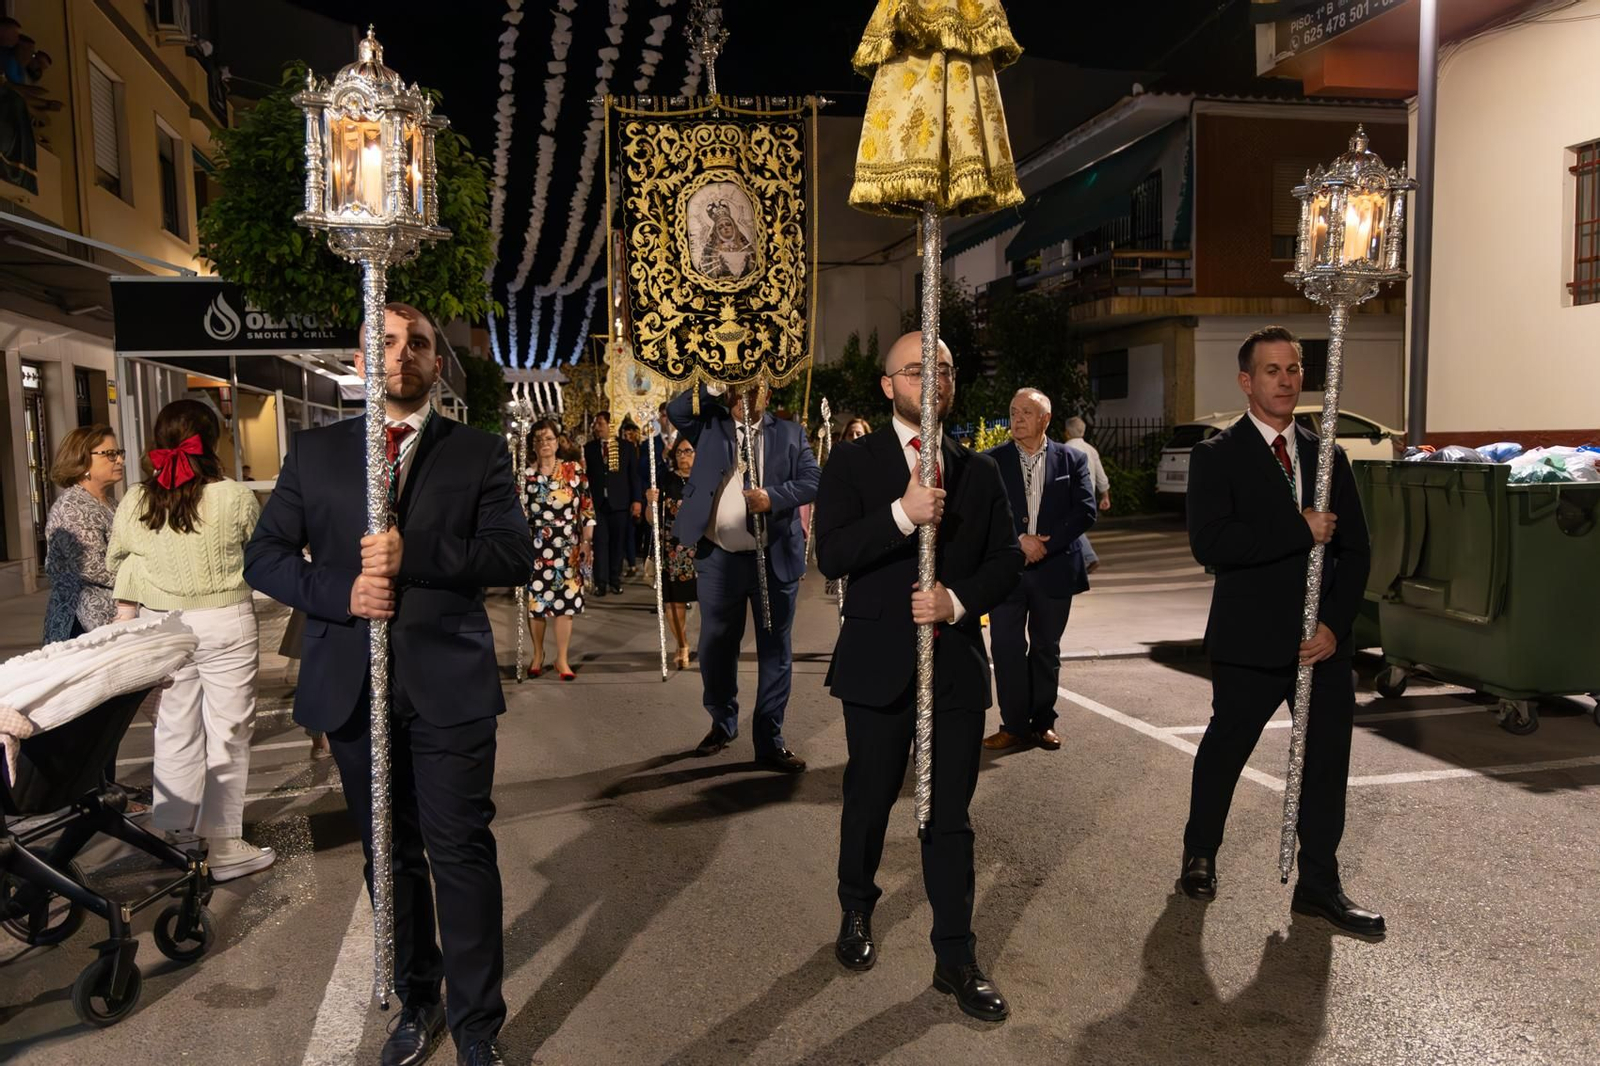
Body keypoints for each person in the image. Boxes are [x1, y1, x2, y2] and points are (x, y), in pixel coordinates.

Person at [244, 303, 533, 1066]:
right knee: (389, 855)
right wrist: (342, 592)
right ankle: (418, 999)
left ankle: (477, 1029)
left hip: (449, 685)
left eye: (420, 345)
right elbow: (266, 555)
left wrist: (418, 555)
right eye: (388, 342)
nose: (403, 356)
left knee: (461, 851)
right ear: (363, 357)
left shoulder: (477, 453)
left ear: (439, 364)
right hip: (351, 685)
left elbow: (511, 554)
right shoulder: (316, 453)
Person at [814, 332, 1023, 1022]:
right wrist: (904, 515)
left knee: (947, 816)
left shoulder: (982, 472)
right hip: (877, 666)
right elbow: (834, 553)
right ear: (887, 386)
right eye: (915, 370)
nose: (931, 379)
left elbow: (1003, 564)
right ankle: (855, 909)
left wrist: (957, 603)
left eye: (943, 368)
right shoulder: (853, 461)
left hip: (955, 670)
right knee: (869, 798)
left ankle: (955, 955)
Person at [1179, 325, 1380, 939]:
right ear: (1246, 381)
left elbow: (1358, 552)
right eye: (1272, 370)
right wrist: (1300, 529)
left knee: (1325, 763)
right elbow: (1211, 544)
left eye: (1294, 369)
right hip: (1249, 639)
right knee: (1225, 751)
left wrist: (1333, 627)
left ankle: (1319, 884)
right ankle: (1200, 853)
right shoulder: (1217, 456)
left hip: (1320, 644)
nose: (1287, 380)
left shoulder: (1328, 456)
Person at [106, 400, 272, 881]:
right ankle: (223, 844)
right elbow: (258, 551)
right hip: (226, 620)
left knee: (174, 726)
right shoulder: (233, 496)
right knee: (229, 731)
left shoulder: (137, 498)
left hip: (165, 623)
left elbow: (119, 557)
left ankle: (177, 834)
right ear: (212, 440)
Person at [667, 380, 819, 771]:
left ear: (768, 394)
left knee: (775, 651)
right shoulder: (711, 425)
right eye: (737, 391)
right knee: (717, 646)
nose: (743, 398)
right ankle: (723, 721)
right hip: (719, 559)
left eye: (753, 390)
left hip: (774, 557)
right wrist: (715, 384)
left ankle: (769, 738)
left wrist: (773, 497)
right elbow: (676, 411)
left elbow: (813, 480)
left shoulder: (789, 432)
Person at [983, 389, 1098, 751]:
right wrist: (1019, 541)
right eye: (1013, 412)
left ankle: (1043, 723)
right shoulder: (991, 462)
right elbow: (982, 514)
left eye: (1026, 413)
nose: (1017, 419)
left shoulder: (1072, 460)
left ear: (1045, 419)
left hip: (1056, 568)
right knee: (1005, 647)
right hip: (1007, 570)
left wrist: (1044, 544)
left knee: (1047, 649)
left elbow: (1085, 510)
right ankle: (1013, 725)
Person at [523, 417, 595, 680]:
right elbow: (518, 515)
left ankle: (562, 659)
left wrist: (587, 541)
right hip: (536, 547)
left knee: (566, 604)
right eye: (539, 439)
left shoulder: (573, 470)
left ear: (557, 441)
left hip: (568, 545)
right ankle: (538, 653)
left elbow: (587, 509)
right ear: (533, 444)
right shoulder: (526, 476)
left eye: (549, 438)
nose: (545, 444)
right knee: (537, 604)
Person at [42, 424, 124, 643]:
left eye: (119, 453)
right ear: (81, 460)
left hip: (111, 618)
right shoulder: (72, 506)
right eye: (109, 454)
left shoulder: (111, 503)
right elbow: (93, 567)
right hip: (81, 624)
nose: (119, 460)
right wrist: (142, 578)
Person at [645, 435, 699, 669]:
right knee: (673, 601)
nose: (683, 456)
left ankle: (711, 646)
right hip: (673, 549)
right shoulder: (666, 480)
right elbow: (651, 520)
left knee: (711, 601)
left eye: (688, 451)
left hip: (702, 548)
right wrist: (650, 503)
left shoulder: (706, 479)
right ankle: (682, 644)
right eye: (679, 452)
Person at [582, 411, 641, 596]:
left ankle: (615, 580)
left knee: (617, 543)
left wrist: (637, 500)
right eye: (595, 423)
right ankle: (601, 582)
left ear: (610, 425)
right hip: (598, 504)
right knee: (600, 542)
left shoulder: (625, 447)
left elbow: (633, 476)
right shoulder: (589, 448)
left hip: (620, 503)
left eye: (600, 423)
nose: (597, 427)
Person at [1062, 416, 1111, 573]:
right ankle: (1083, 559)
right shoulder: (1091, 450)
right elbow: (1101, 476)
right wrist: (1105, 496)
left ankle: (1089, 557)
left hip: (1070, 495)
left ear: (1067, 433)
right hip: (1088, 495)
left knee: (1070, 526)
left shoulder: (1064, 449)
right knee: (1074, 527)